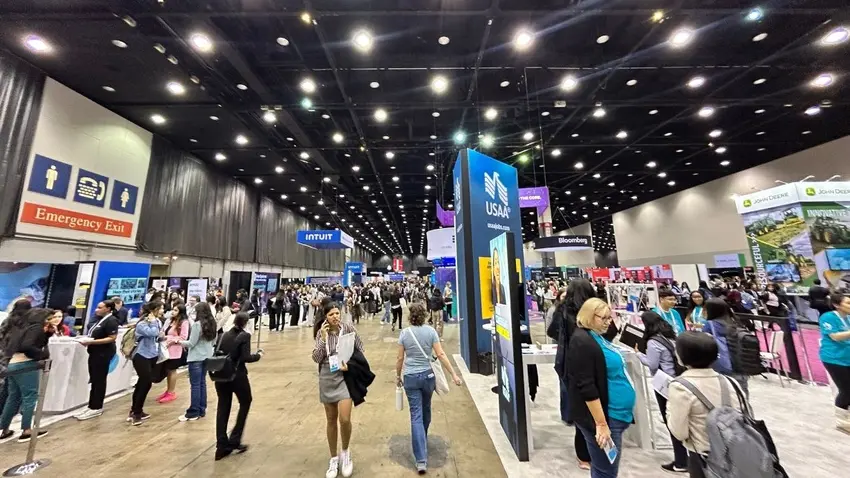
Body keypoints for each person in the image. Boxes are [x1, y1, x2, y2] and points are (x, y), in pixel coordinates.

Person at [567, 298, 635, 478]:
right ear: (589, 316)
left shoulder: (596, 336)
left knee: (603, 468)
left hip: (615, 414)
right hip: (605, 417)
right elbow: (586, 386)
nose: (608, 322)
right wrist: (601, 423)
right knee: (606, 470)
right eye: (603, 318)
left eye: (609, 318)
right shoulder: (582, 341)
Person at [666, 332, 747, 478]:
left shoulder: (680, 386)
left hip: (703, 458)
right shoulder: (731, 382)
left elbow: (679, 432)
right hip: (738, 453)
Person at [395, 302, 462, 474]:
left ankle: (421, 460)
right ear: (425, 315)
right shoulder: (431, 332)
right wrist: (453, 374)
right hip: (428, 377)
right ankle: (421, 439)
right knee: (426, 410)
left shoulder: (404, 334)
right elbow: (440, 354)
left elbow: (399, 358)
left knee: (415, 415)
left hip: (410, 378)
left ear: (410, 316)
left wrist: (397, 375)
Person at [312, 302, 365, 478]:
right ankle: (333, 458)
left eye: (337, 313)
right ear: (325, 317)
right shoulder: (321, 332)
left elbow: (360, 349)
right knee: (331, 420)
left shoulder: (348, 328)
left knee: (344, 418)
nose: (335, 317)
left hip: (345, 377)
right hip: (327, 376)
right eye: (331, 314)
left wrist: (349, 364)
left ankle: (345, 452)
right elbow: (316, 357)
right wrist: (322, 338)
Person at [638, 311, 688, 473]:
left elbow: (652, 364)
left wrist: (638, 354)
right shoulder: (671, 337)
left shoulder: (654, 342)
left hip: (664, 384)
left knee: (672, 422)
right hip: (680, 380)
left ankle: (681, 461)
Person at [214, 312, 263, 461]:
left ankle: (221, 445)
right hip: (237, 375)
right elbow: (245, 357)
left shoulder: (224, 335)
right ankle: (235, 438)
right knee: (246, 401)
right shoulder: (244, 336)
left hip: (221, 375)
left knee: (223, 408)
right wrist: (258, 355)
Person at [0, 308, 52, 442]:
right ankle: (27, 429)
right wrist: (42, 355)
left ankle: (3, 428)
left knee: (13, 397)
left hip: (12, 363)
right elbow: (28, 347)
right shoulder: (35, 328)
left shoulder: (20, 327)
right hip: (26, 364)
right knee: (30, 396)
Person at [75, 299, 120, 421]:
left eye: (100, 308)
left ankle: (96, 407)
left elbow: (112, 337)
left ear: (108, 309)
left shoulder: (111, 321)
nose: (97, 310)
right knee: (94, 379)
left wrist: (92, 342)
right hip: (95, 353)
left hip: (103, 354)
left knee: (99, 380)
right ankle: (91, 405)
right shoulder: (99, 320)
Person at [701, 298, 750, 396]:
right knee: (742, 398)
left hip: (722, 367)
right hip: (741, 365)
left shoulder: (710, 325)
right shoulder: (735, 322)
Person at [179, 302, 216, 422]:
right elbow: (212, 342)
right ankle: (201, 409)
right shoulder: (212, 324)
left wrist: (178, 341)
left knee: (195, 385)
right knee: (202, 383)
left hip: (195, 358)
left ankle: (193, 411)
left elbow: (191, 343)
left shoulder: (196, 325)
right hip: (207, 357)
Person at [818, 293, 850, 433]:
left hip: (847, 357)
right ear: (837, 305)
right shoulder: (828, 317)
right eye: (848, 303)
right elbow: (835, 336)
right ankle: (841, 421)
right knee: (846, 390)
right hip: (834, 359)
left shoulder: (848, 318)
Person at [128, 300, 163, 426]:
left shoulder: (158, 322)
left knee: (143, 383)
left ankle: (136, 409)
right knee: (145, 382)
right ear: (154, 310)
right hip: (141, 355)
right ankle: (136, 414)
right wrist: (153, 322)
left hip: (153, 355)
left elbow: (157, 335)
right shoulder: (142, 324)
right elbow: (152, 332)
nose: (163, 311)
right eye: (161, 309)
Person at [158, 304, 189, 404]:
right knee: (168, 370)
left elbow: (183, 337)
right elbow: (163, 331)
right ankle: (168, 390)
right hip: (166, 349)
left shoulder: (184, 322)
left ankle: (171, 392)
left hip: (176, 350)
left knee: (172, 370)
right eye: (173, 309)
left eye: (175, 310)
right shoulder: (169, 320)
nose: (173, 312)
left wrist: (171, 340)